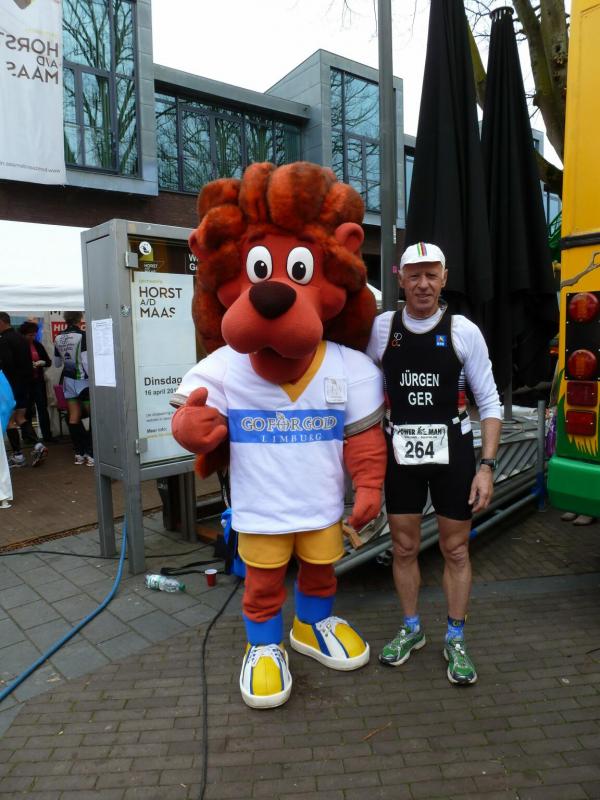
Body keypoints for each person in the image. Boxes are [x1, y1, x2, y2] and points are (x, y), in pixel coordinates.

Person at [367, 242, 502, 685]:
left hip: (454, 454)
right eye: (414, 275)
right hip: (400, 454)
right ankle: (412, 629)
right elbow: (362, 386)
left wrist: (486, 467)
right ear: (400, 279)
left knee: (456, 549)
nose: (423, 284)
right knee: (404, 547)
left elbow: (490, 403)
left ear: (445, 278)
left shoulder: (463, 331)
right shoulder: (382, 329)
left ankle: (455, 637)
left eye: (431, 275)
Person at [0, 312, 47, 468]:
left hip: (10, 386)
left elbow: (6, 364)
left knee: (10, 421)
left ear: (2, 322)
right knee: (21, 418)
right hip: (24, 384)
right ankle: (38, 446)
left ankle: (18, 455)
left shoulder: (4, 340)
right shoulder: (21, 339)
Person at [53, 311, 94, 466]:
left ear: (65, 320)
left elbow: (57, 363)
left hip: (68, 381)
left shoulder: (58, 337)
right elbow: (86, 361)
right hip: (84, 382)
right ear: (79, 319)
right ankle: (91, 454)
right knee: (92, 417)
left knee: (73, 417)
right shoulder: (82, 336)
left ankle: (79, 453)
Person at [18, 321, 55, 446]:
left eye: (34, 334)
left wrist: (42, 362)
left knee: (42, 408)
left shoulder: (37, 345)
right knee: (27, 410)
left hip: (38, 381)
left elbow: (48, 361)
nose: (32, 337)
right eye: (30, 335)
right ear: (23, 334)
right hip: (25, 382)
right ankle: (28, 437)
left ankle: (47, 435)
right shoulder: (19, 346)